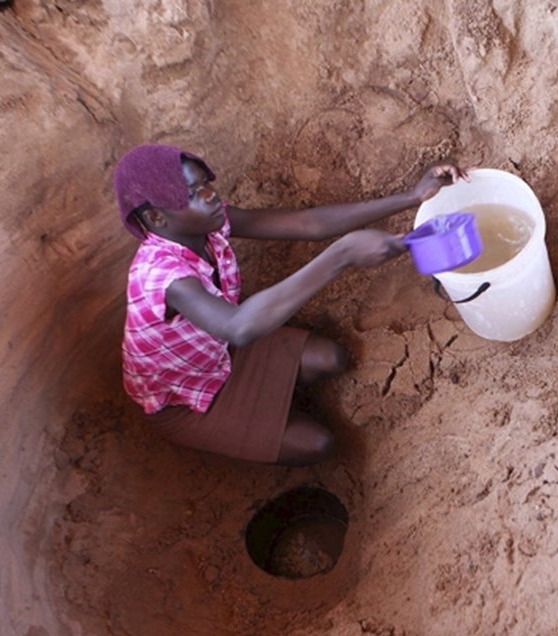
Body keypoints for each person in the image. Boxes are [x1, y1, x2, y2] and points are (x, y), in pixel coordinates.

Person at [112, 143, 467, 465]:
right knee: (318, 444)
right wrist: (341, 255)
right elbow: (239, 328)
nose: (210, 195)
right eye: (193, 193)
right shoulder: (163, 276)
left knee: (332, 358)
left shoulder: (209, 224)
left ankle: (268, 412)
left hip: (222, 354)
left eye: (206, 183)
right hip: (187, 399)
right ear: (157, 218)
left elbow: (307, 223)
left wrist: (412, 196)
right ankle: (246, 427)